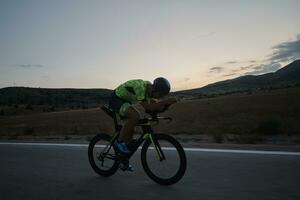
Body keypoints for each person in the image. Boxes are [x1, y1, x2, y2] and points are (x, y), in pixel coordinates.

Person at [108, 77, 177, 171]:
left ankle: (123, 159)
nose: (159, 97)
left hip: (125, 101)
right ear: (155, 89)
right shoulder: (141, 87)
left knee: (132, 127)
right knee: (135, 116)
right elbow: (149, 107)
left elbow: (151, 109)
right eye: (160, 94)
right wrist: (165, 101)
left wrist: (161, 110)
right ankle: (119, 142)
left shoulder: (149, 93)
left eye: (162, 96)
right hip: (116, 99)